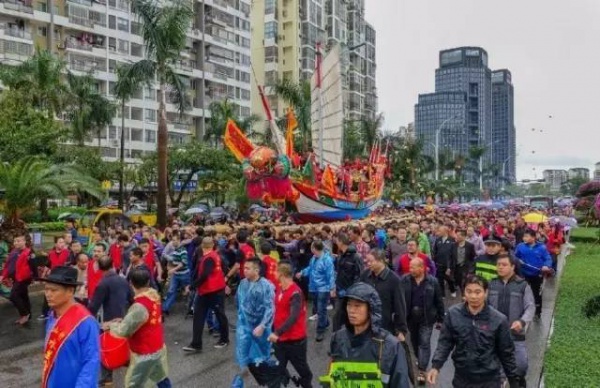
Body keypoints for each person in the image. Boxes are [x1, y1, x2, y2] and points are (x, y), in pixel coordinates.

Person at [427, 275, 521, 388]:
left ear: (486, 293)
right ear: (464, 293)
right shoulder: (453, 314)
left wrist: (514, 382)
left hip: (489, 380)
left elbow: (507, 353)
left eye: (478, 292)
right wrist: (436, 366)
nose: (473, 296)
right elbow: (445, 343)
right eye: (469, 291)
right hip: (462, 379)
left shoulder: (499, 320)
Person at [327, 282, 411, 388]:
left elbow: (400, 383)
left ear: (371, 308)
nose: (352, 311)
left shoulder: (391, 346)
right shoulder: (338, 338)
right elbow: (331, 377)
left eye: (357, 306)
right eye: (349, 305)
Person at [102, 268, 172, 387]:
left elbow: (124, 330)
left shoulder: (140, 305)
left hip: (144, 352)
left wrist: (110, 325)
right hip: (157, 346)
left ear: (131, 284)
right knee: (161, 377)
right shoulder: (154, 296)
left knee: (134, 384)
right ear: (148, 282)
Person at [41, 266, 100, 387]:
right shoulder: (52, 316)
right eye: (46, 289)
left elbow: (91, 362)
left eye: (54, 290)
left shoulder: (85, 322)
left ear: (70, 291)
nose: (48, 294)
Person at [235, 258, 286, 387]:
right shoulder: (242, 283)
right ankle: (240, 381)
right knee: (243, 357)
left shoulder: (266, 286)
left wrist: (263, 326)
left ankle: (275, 379)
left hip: (260, 329)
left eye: (247, 268)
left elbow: (270, 309)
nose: (244, 270)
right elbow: (240, 304)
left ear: (256, 270)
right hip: (245, 327)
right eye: (244, 268)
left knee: (262, 359)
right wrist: (241, 323)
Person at [488, 254, 535, 387]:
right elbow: (484, 306)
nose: (500, 267)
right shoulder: (491, 284)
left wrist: (521, 321)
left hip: (515, 334)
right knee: (494, 368)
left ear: (512, 267)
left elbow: (530, 307)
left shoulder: (522, 285)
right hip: (494, 334)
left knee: (520, 366)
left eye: (504, 265)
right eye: (498, 265)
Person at [88, 255, 133, 386]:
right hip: (122, 317)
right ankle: (126, 362)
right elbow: (132, 299)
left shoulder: (103, 284)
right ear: (113, 265)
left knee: (105, 347)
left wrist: (87, 318)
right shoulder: (123, 280)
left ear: (99, 268)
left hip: (108, 320)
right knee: (122, 342)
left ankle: (107, 378)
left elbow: (94, 306)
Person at [399, 258, 445, 384]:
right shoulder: (404, 280)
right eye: (410, 267)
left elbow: (439, 301)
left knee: (424, 342)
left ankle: (421, 369)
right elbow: (399, 298)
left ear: (422, 268)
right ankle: (420, 359)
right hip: (410, 318)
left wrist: (441, 319)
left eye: (413, 267)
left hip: (427, 318)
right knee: (414, 341)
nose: (410, 270)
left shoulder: (433, 282)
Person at [268, 261, 313, 388]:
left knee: (303, 372)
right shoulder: (280, 287)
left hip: (295, 342)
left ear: (282, 274)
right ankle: (284, 379)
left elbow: (293, 317)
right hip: (280, 341)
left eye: (276, 271)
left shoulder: (295, 294)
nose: (274, 273)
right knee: (277, 369)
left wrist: (277, 332)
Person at [184, 237, 229, 352]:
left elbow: (204, 275)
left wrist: (192, 286)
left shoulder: (209, 258)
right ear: (213, 245)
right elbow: (222, 270)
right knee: (209, 315)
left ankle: (223, 339)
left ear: (202, 246)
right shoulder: (214, 255)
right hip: (212, 290)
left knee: (215, 315)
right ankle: (196, 343)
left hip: (212, 291)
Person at [359, 249, 408, 341]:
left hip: (385, 326)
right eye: (367, 261)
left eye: (371, 261)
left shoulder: (394, 280)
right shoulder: (365, 275)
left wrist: (401, 330)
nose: (368, 264)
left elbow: (400, 306)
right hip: (366, 323)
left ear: (381, 261)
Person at [296, 240, 336, 342]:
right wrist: (302, 273)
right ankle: (325, 322)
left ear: (314, 248)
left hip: (323, 288)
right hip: (313, 287)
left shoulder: (327, 260)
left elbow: (330, 275)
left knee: (321, 309)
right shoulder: (313, 258)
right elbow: (310, 269)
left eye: (312, 248)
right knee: (318, 308)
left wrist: (332, 288)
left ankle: (320, 330)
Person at [515, 228, 553, 319]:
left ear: (533, 237)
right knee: (523, 293)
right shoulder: (520, 246)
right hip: (523, 274)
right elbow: (514, 256)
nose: (524, 238)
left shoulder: (542, 247)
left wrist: (546, 266)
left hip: (537, 275)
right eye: (524, 236)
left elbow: (548, 258)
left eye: (526, 236)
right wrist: (518, 260)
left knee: (536, 294)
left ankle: (538, 312)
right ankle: (523, 311)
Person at [0, 234, 33, 325]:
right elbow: (7, 266)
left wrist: (33, 276)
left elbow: (32, 266)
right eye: (15, 241)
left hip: (23, 279)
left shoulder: (28, 252)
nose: (16, 243)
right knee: (23, 296)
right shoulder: (14, 252)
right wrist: (3, 276)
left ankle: (24, 314)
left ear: (24, 241)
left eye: (18, 241)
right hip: (16, 278)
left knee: (13, 295)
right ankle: (28, 314)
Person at [161, 231, 190, 315]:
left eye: (175, 240)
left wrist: (174, 269)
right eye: (172, 240)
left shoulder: (183, 250)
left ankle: (192, 307)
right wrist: (167, 257)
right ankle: (165, 308)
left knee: (189, 291)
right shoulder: (175, 250)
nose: (173, 242)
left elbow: (183, 262)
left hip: (184, 274)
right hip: (176, 275)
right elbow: (174, 260)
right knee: (171, 291)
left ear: (179, 240)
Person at [431, 225, 457, 297]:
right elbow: (435, 251)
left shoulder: (452, 240)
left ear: (445, 231)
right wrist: (434, 261)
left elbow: (453, 254)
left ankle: (452, 290)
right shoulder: (438, 240)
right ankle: (442, 294)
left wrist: (450, 266)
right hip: (439, 263)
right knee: (440, 280)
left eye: (440, 231)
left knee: (449, 279)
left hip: (448, 265)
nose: (438, 232)